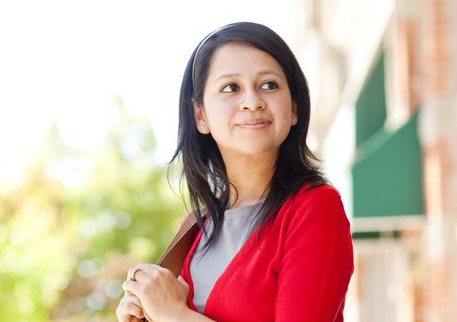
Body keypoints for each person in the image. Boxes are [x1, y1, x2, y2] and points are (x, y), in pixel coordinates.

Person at [116, 21, 354, 322]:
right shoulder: (196, 228)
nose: (252, 102)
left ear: (293, 107)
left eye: (269, 85)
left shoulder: (315, 208)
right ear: (200, 115)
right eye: (231, 88)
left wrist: (173, 313)